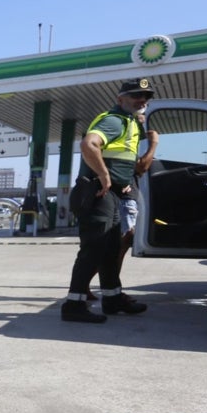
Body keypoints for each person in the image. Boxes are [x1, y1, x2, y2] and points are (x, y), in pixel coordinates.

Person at [61, 78, 155, 323]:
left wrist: (118, 179)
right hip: (98, 195)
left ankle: (112, 299)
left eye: (145, 97)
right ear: (120, 99)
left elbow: (122, 160)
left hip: (112, 195)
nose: (141, 100)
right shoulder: (114, 121)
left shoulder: (130, 122)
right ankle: (73, 305)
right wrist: (104, 175)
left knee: (110, 249)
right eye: (135, 96)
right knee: (92, 250)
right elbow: (88, 144)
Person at [84, 110, 158, 300]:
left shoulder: (131, 136)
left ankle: (108, 290)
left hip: (122, 192)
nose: (142, 118)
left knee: (115, 245)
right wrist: (154, 144)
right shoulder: (124, 132)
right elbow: (142, 167)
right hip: (123, 194)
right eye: (141, 115)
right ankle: (103, 289)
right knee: (117, 244)